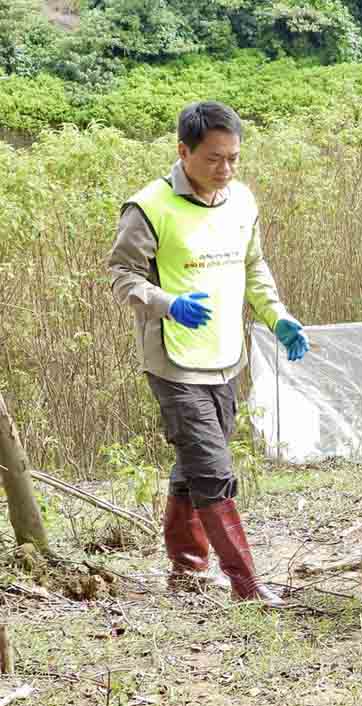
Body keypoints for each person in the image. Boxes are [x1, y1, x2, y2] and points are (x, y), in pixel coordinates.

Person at [108, 101, 310, 608]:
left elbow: (254, 266)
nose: (225, 170)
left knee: (193, 462)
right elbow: (122, 278)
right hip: (174, 361)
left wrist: (278, 316)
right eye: (214, 159)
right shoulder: (148, 207)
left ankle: (187, 570)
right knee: (213, 467)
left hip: (225, 355)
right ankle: (246, 584)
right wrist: (167, 303)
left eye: (234, 158)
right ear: (184, 151)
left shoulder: (241, 201)